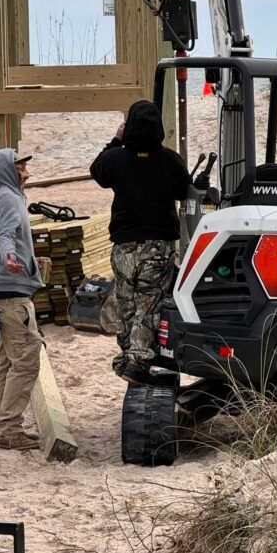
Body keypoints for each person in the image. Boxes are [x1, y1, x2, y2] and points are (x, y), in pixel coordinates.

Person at [90, 100, 191, 382]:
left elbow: (96, 169)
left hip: (124, 245)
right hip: (158, 245)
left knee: (126, 301)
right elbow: (184, 191)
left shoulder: (116, 158)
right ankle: (138, 359)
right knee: (150, 302)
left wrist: (116, 140)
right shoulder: (169, 160)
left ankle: (127, 353)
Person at [0, 148, 44, 451]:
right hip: (11, 297)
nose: (25, 168)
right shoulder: (8, 198)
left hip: (2, 293)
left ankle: (1, 426)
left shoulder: (6, 197)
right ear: (8, 169)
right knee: (27, 359)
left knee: (9, 363)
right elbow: (5, 236)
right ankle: (10, 428)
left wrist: (26, 259)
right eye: (20, 164)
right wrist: (9, 257)